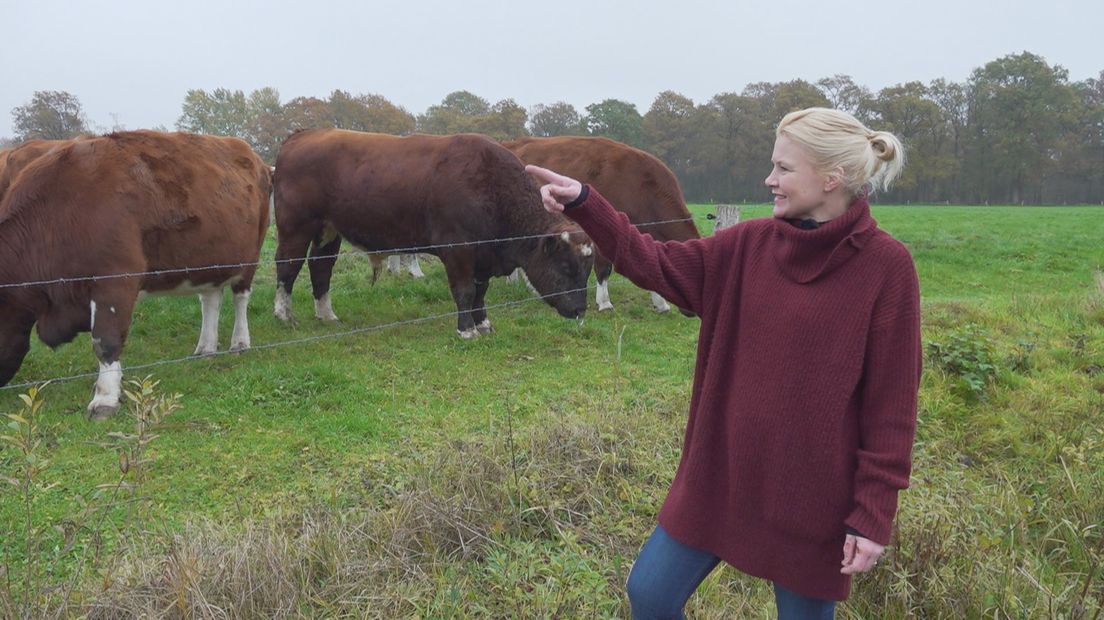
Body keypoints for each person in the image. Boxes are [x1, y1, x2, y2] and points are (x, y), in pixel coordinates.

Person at [526, 107, 921, 619]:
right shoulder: (747, 246)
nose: (769, 179)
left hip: (811, 498)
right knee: (651, 593)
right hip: (718, 476)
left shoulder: (886, 268)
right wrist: (585, 204)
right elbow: (655, 263)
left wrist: (872, 516)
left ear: (832, 177)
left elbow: (891, 408)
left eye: (783, 168)